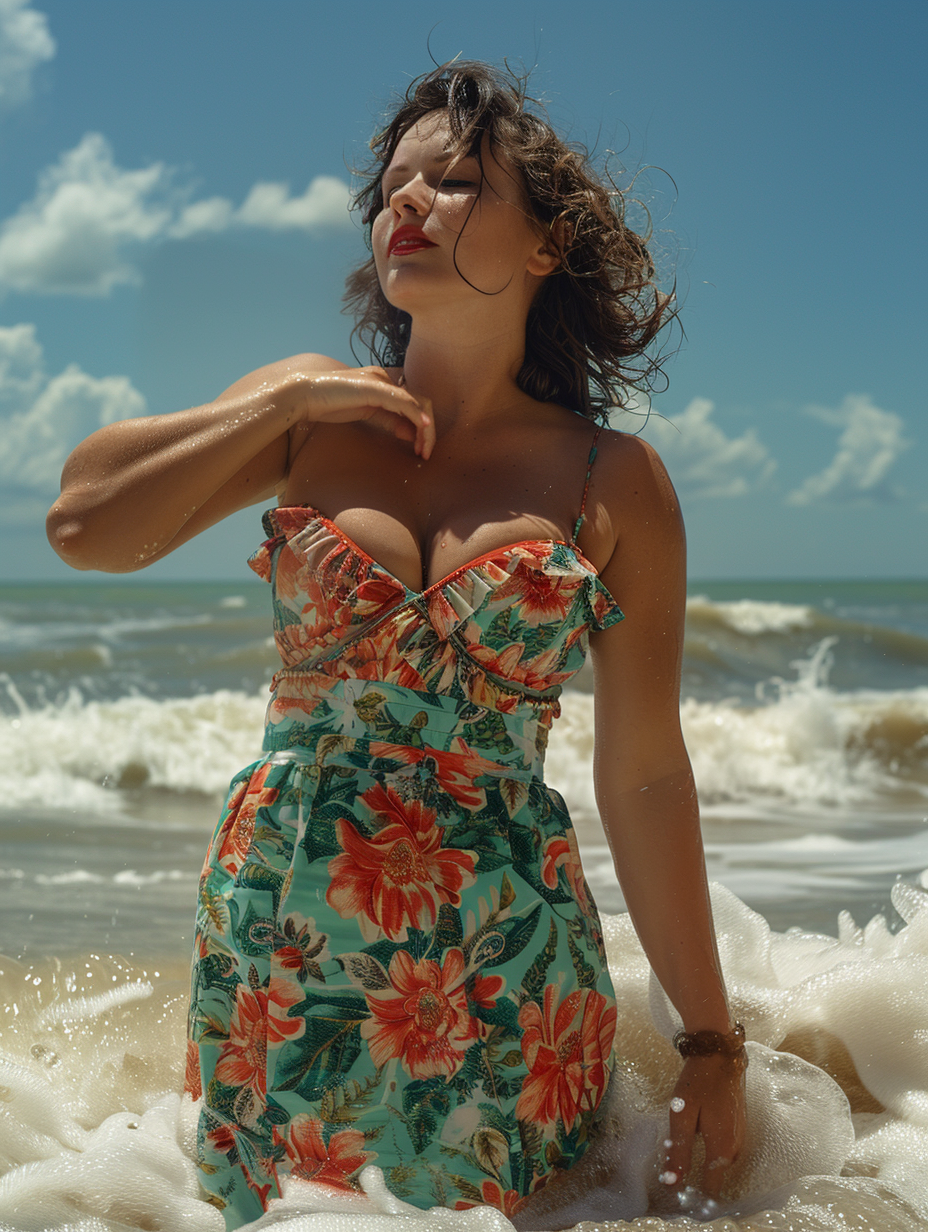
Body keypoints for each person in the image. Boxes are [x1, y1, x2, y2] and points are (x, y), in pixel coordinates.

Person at [47, 61, 746, 1230]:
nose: (404, 203)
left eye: (456, 180)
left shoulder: (610, 478)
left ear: (545, 246)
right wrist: (277, 412)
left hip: (501, 952)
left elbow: (644, 773)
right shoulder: (309, 409)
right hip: (282, 922)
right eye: (391, 185)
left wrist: (711, 1043)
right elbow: (84, 523)